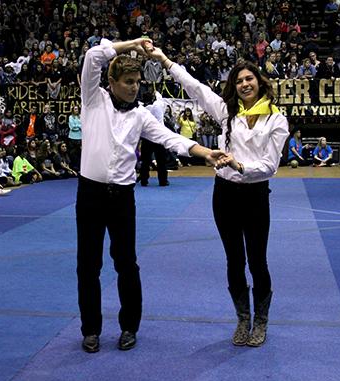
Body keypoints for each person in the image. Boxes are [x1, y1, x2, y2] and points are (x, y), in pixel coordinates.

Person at [76, 37, 223, 354]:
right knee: (87, 265)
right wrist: (130, 44)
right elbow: (92, 55)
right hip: (89, 194)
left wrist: (204, 152)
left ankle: (129, 326)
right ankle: (90, 330)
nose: (133, 87)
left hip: (122, 197)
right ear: (111, 81)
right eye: (128, 81)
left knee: (126, 263)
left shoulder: (141, 115)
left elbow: (171, 139)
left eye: (137, 82)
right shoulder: (92, 99)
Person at [146, 44, 289, 347]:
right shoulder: (228, 112)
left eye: (249, 79)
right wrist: (166, 60)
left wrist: (239, 165)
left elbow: (270, 166)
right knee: (234, 260)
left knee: (258, 261)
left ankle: (261, 322)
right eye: (239, 81)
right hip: (223, 194)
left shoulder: (276, 119)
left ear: (260, 82)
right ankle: (242, 319)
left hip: (255, 195)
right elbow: (196, 88)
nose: (244, 84)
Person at [138, 89, 169, 186]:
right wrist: (156, 92)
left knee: (145, 161)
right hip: (158, 136)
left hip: (147, 137)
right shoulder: (158, 106)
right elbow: (160, 98)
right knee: (161, 160)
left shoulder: (141, 109)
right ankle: (163, 181)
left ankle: (144, 180)